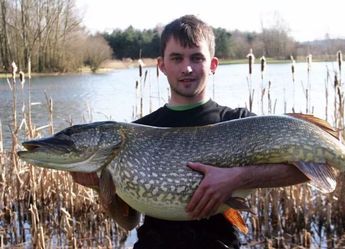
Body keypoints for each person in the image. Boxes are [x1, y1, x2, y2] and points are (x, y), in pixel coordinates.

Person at [72, 15, 309, 249]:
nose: (187, 68)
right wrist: (98, 186)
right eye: (176, 58)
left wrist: (239, 177)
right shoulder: (139, 132)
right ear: (162, 65)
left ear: (213, 64)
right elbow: (128, 221)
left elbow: (306, 171)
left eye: (196, 58)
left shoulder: (239, 122)